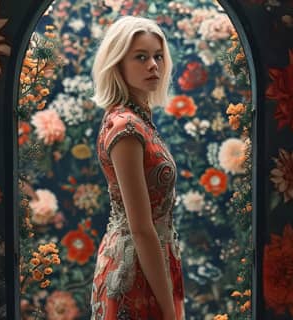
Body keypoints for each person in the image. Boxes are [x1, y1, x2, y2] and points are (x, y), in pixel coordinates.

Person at [90, 15, 185, 320]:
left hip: (153, 261)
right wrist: (169, 311)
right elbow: (142, 228)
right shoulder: (126, 127)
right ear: (117, 64)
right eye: (141, 57)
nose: (153, 65)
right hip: (135, 271)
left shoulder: (139, 121)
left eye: (158, 56)